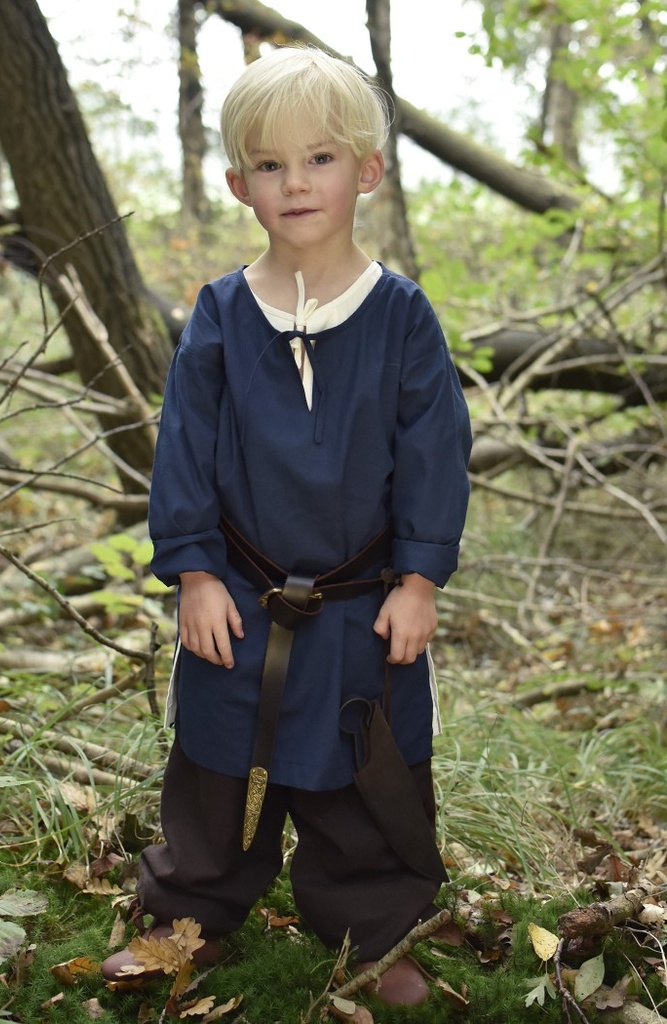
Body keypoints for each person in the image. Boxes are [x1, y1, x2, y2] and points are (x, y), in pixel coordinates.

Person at [101, 44, 471, 1007]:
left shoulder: (400, 319)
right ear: (237, 183)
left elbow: (434, 453)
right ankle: (189, 917)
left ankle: (378, 930)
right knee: (215, 778)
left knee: (365, 779)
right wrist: (192, 572)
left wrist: (419, 581)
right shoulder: (221, 315)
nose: (295, 182)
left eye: (319, 159)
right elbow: (182, 448)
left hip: (362, 601)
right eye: (269, 164)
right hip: (239, 594)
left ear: (368, 171)